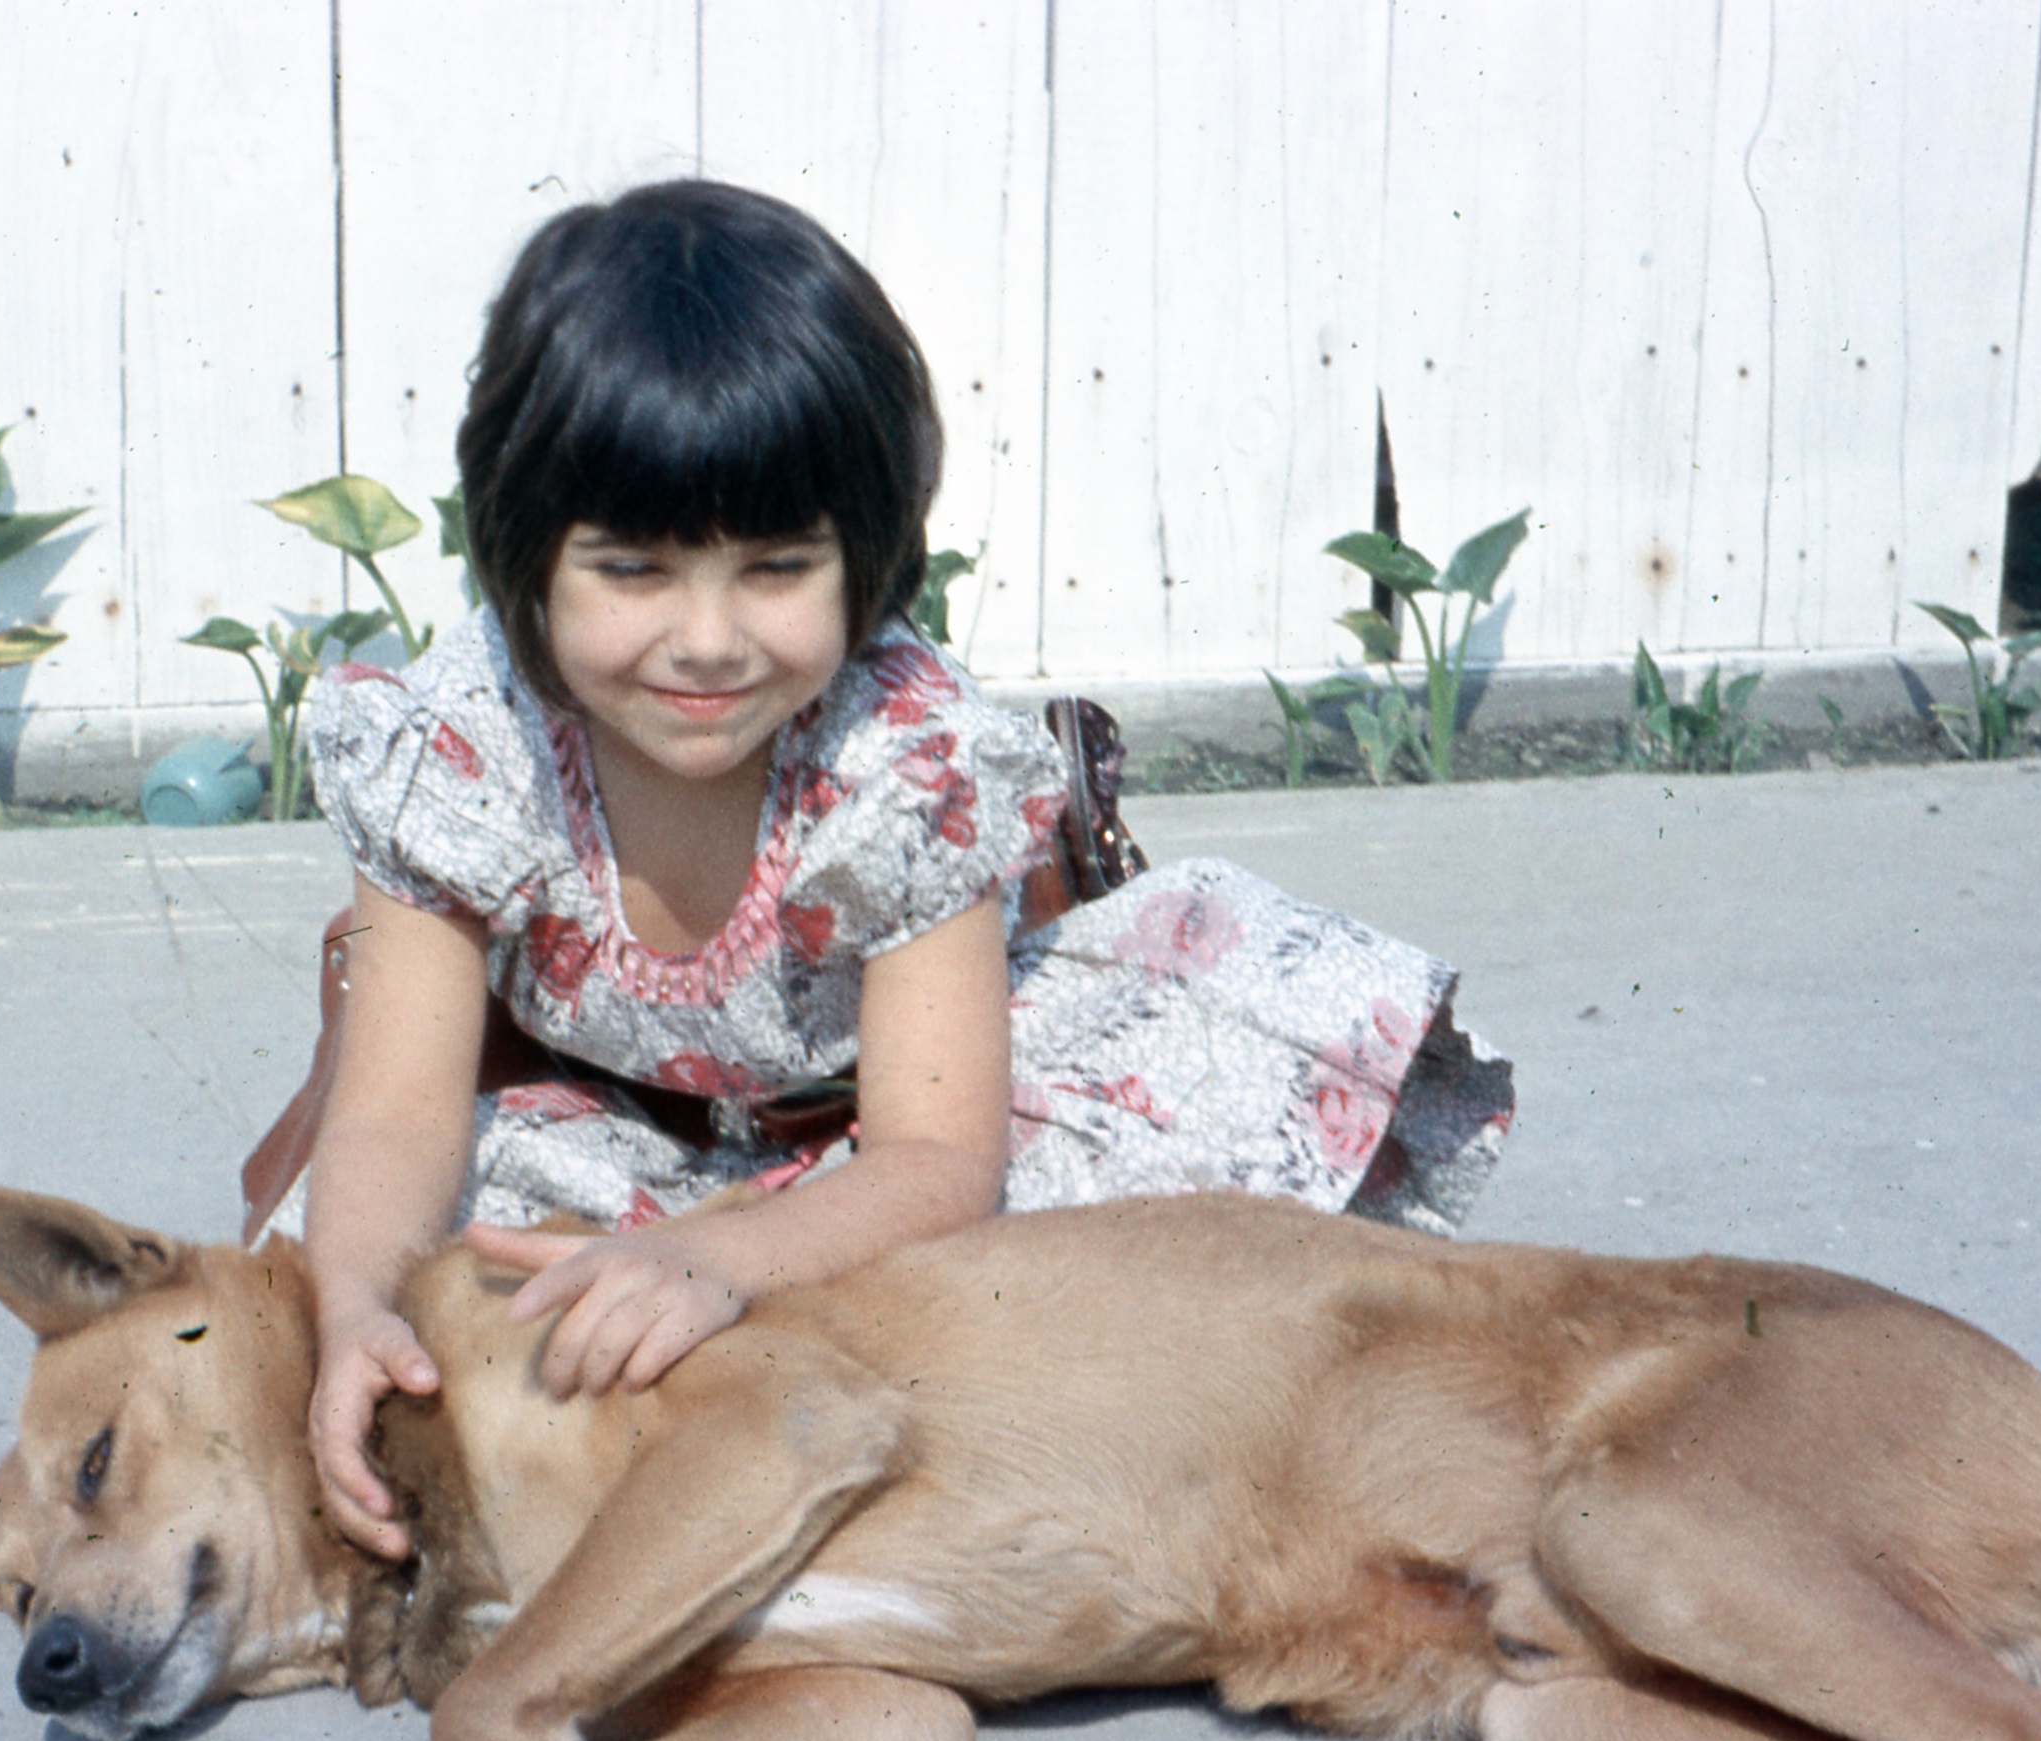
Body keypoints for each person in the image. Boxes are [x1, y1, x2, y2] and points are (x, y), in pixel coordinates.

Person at [265, 181, 1513, 1560]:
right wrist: (362, 1309)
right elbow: (391, 1112)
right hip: (616, 1128)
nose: (708, 639)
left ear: (868, 558)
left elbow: (939, 1159)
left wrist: (722, 1259)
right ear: (523, 559)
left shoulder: (899, 761)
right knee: (451, 1288)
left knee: (1104, 1279)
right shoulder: (459, 748)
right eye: (632, 570)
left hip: (891, 1129)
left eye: (777, 567)